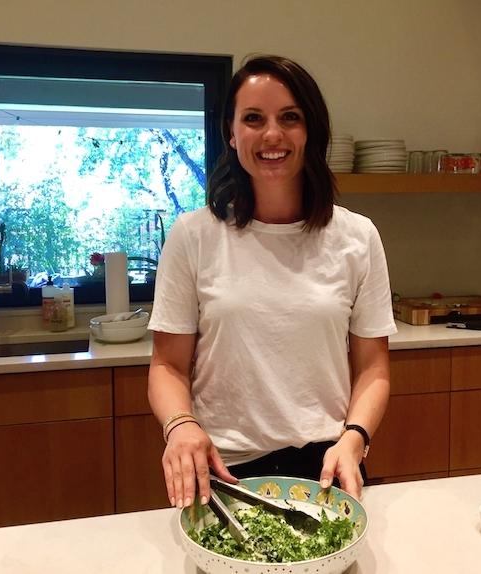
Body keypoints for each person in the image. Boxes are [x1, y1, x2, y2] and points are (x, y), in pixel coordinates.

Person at [147, 54, 397, 511]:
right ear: (232, 131)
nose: (272, 135)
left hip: (330, 468)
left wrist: (355, 439)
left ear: (312, 131)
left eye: (290, 117)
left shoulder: (358, 238)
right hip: (223, 471)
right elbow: (168, 366)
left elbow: (373, 369)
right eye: (254, 118)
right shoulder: (193, 236)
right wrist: (180, 425)